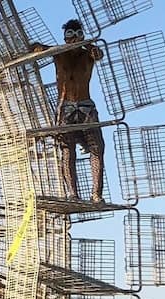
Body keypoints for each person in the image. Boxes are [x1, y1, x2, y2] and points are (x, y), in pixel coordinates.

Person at [28, 19, 109, 203]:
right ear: (65, 38)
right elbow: (36, 48)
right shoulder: (59, 54)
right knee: (67, 150)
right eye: (70, 36)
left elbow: (99, 54)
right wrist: (38, 48)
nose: (73, 40)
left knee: (97, 148)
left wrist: (87, 44)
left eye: (77, 35)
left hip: (86, 106)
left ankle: (96, 194)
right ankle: (72, 193)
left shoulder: (87, 54)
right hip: (65, 108)